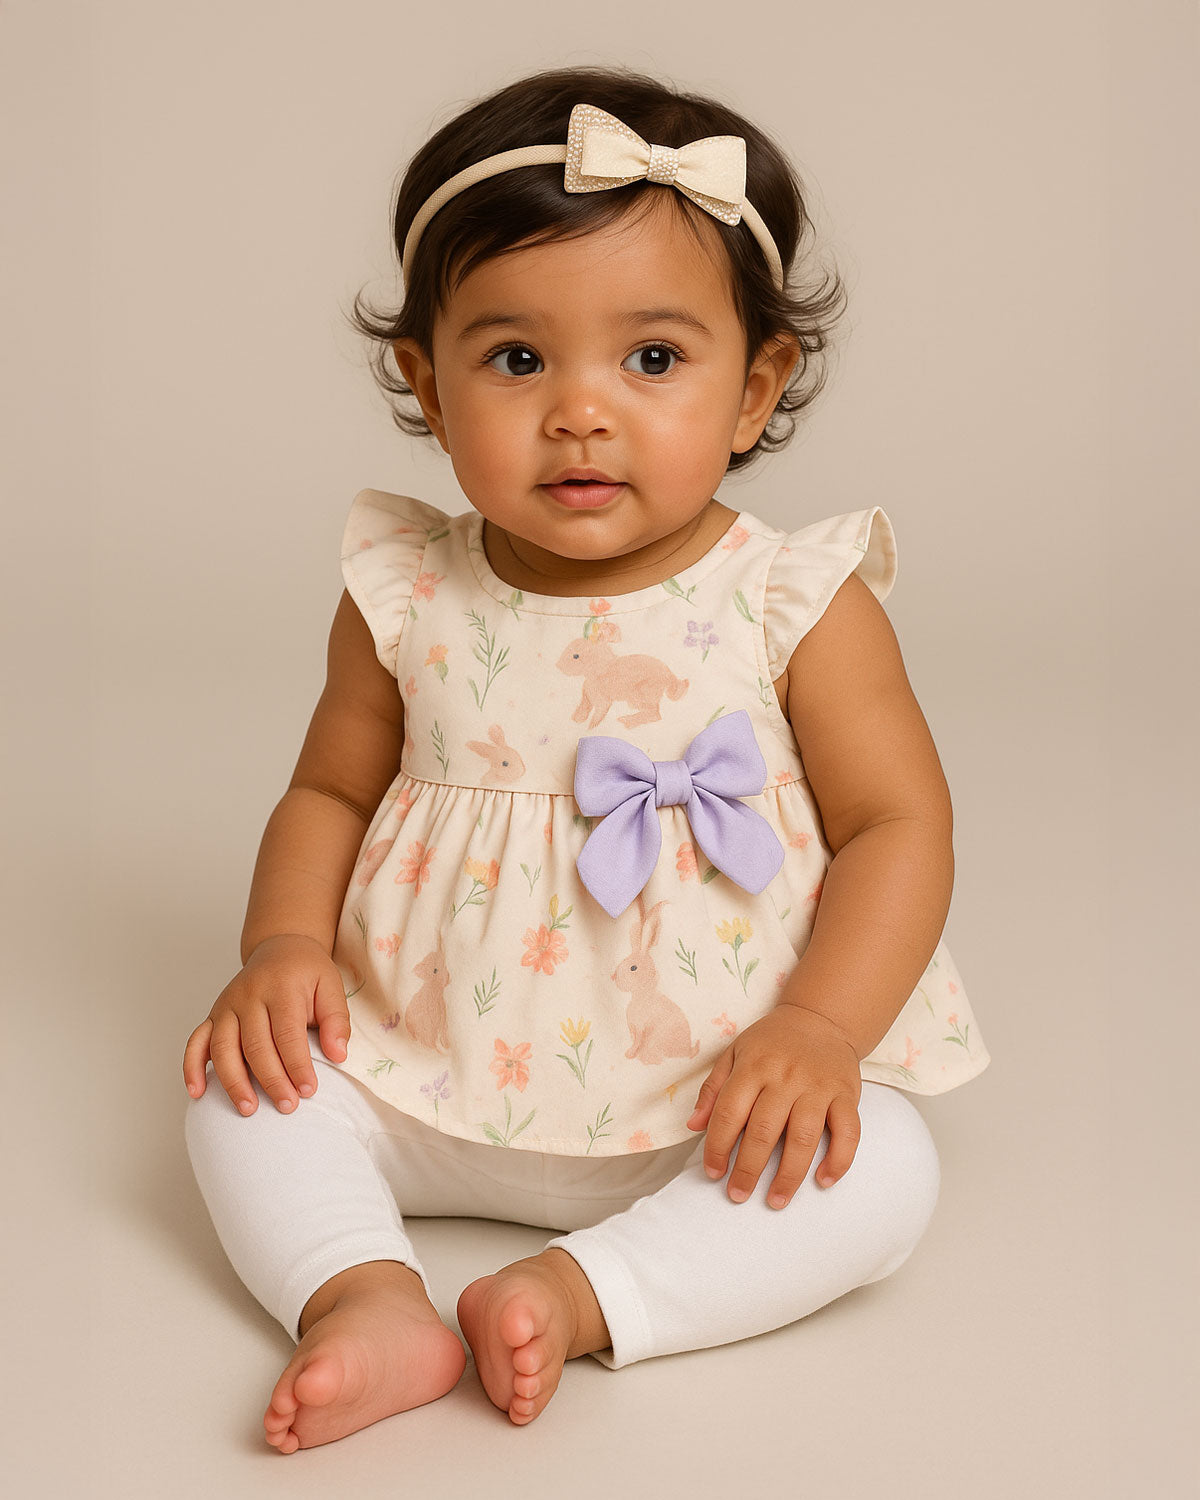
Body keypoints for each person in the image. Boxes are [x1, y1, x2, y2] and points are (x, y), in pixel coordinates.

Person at [182, 64, 990, 1455]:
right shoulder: (404, 589)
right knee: (236, 1085)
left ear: (758, 387)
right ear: (426, 388)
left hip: (711, 1094)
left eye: (654, 359)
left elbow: (899, 829)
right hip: (422, 1060)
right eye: (516, 360)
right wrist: (279, 947)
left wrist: (818, 1033)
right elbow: (328, 789)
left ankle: (582, 1292)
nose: (580, 410)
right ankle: (364, 1297)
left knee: (888, 1179)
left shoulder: (793, 597)